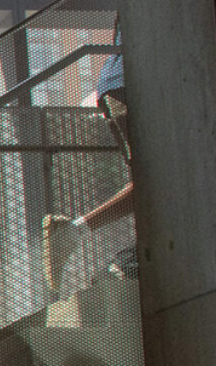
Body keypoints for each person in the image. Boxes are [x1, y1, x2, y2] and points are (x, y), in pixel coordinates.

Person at [44, 24, 136, 288]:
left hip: (117, 82)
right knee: (155, 184)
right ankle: (116, 267)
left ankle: (118, 269)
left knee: (153, 186)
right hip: (129, 82)